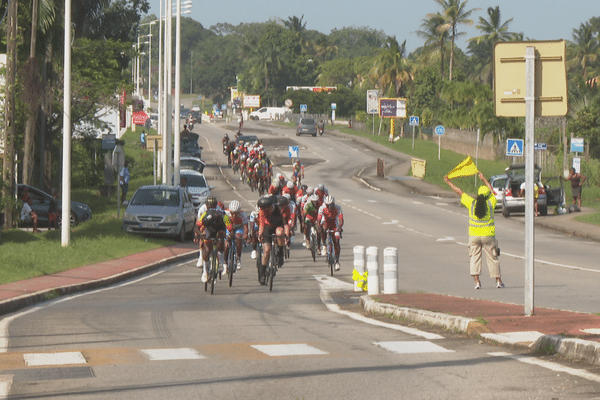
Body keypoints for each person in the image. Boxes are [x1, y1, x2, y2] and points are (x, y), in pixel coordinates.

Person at [444, 171, 504, 289]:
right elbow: (493, 192)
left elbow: (460, 192)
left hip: (474, 236)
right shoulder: (491, 203)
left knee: (474, 258)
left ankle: (477, 282)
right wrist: (484, 179)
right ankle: (498, 281)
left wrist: (448, 182)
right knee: (493, 258)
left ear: (478, 195)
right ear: (487, 196)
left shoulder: (471, 203)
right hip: (488, 236)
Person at [195, 198, 233, 283]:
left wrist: (229, 235)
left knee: (221, 242)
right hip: (209, 230)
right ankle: (205, 271)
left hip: (220, 230)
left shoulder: (223, 214)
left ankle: (221, 261)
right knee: (207, 249)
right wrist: (199, 234)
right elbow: (197, 226)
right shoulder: (204, 213)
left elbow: (229, 227)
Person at [257, 195, 289, 285]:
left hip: (278, 226)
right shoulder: (262, 211)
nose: (264, 210)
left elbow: (285, 223)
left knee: (279, 233)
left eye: (265, 208)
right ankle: (262, 272)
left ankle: (280, 251)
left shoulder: (278, 209)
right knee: (266, 250)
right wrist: (260, 234)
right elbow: (261, 224)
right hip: (268, 227)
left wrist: (286, 234)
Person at [318, 195, 344, 271]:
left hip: (334, 223)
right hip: (325, 222)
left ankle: (337, 261)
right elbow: (319, 220)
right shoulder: (322, 208)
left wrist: (339, 228)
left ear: (334, 204)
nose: (329, 207)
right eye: (328, 205)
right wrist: (319, 227)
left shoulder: (338, 208)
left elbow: (341, 220)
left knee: (336, 240)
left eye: (331, 205)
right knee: (323, 228)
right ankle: (324, 245)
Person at [224, 200, 248, 271]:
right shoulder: (226, 214)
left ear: (239, 212)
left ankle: (238, 258)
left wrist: (245, 234)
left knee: (238, 238)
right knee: (226, 244)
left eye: (236, 213)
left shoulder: (243, 215)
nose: (234, 215)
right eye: (232, 213)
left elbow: (245, 227)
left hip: (239, 227)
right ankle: (224, 263)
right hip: (229, 227)